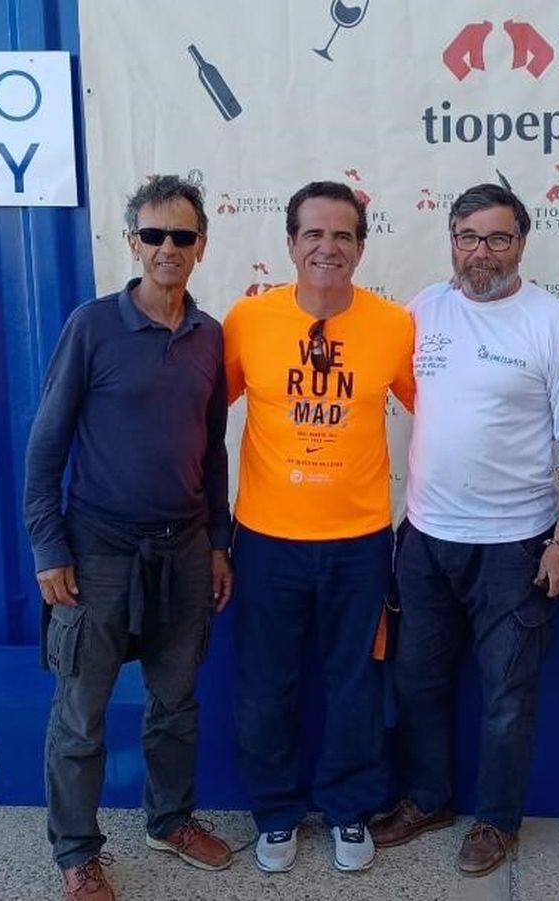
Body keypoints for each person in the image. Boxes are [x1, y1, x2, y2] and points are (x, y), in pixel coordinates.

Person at [371, 183, 559, 877]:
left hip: (516, 544)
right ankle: (427, 799)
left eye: (498, 238)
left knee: (508, 693)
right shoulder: (423, 309)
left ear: (522, 244)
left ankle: (497, 819)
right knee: (416, 680)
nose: (482, 251)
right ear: (450, 239)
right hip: (424, 535)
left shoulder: (554, 320)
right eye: (469, 236)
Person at [24, 175, 236, 901]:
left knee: (176, 700)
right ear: (132, 243)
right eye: (154, 235)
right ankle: (78, 854)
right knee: (81, 712)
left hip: (183, 550)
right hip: (98, 552)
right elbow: (45, 444)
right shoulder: (92, 326)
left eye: (182, 236)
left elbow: (212, 448)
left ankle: (169, 819)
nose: (167, 248)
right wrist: (48, 545)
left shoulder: (210, 336)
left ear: (201, 245)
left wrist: (218, 541)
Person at [224, 180, 416, 874]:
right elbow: (193, 412)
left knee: (354, 682)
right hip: (267, 540)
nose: (327, 247)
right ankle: (275, 812)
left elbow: (446, 419)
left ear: (361, 248)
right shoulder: (248, 321)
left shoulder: (395, 326)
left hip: (359, 542)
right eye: (313, 233)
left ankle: (347, 807)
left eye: (343, 235)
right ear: (290, 243)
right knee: (265, 682)